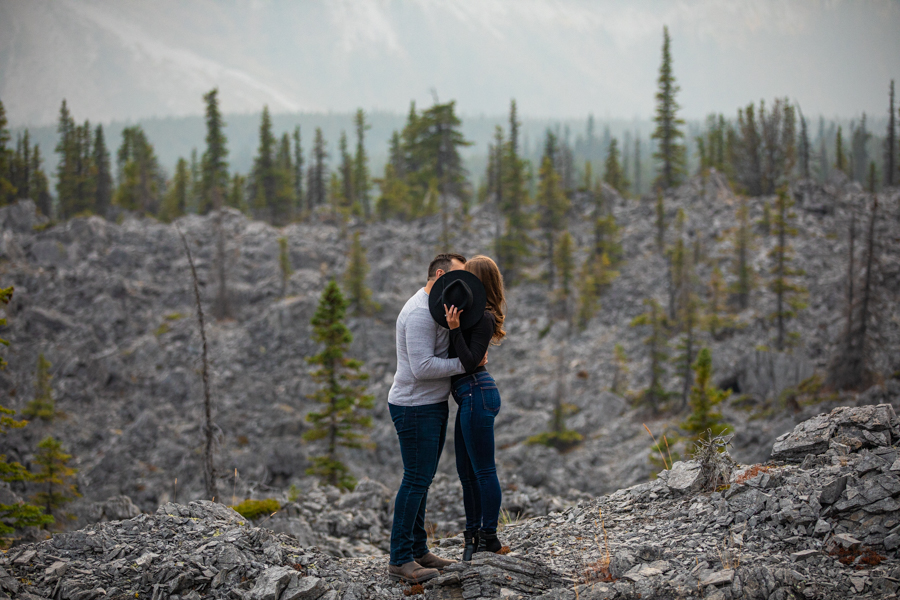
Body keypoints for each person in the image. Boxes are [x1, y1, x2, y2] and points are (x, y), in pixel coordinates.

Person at [387, 252, 486, 584]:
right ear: (440, 274)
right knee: (416, 480)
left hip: (429, 405)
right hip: (415, 407)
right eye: (459, 278)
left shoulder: (440, 308)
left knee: (422, 480)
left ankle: (418, 550)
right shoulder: (419, 314)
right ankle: (400, 559)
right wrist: (468, 365)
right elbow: (422, 368)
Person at [443, 255, 507, 561]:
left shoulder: (484, 317)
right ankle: (471, 539)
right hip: (469, 396)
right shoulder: (472, 314)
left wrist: (454, 329)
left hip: (477, 392)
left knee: (483, 471)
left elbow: (469, 363)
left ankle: (489, 537)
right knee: (466, 473)